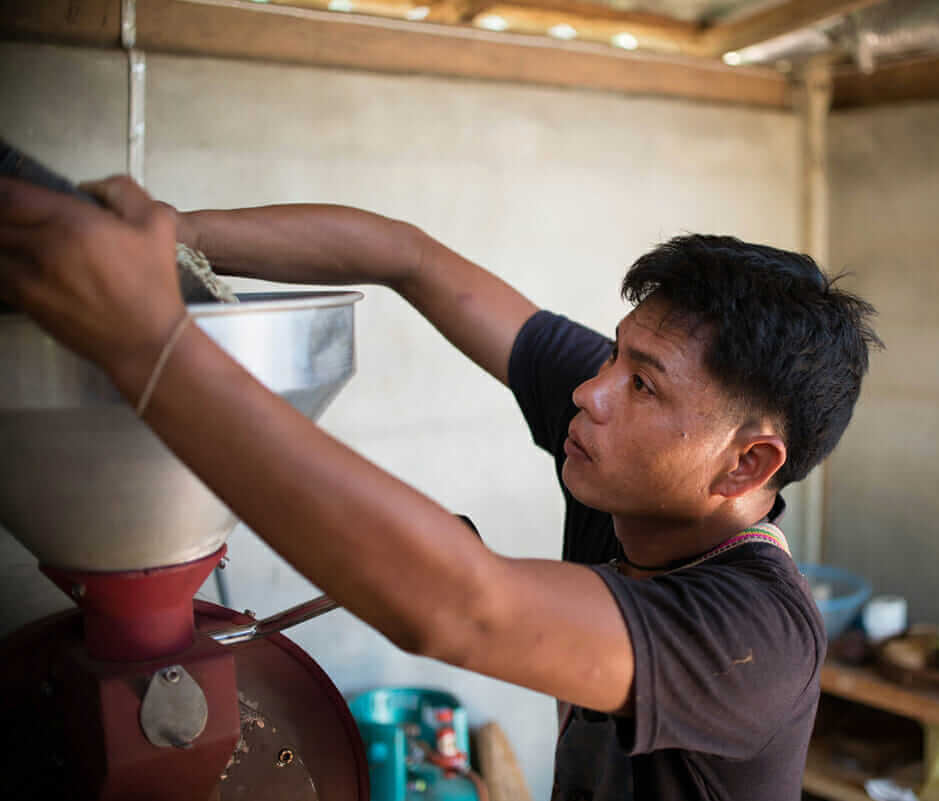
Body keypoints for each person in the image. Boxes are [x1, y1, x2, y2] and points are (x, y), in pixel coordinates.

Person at [0, 174, 880, 801]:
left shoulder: (756, 634)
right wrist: (175, 234)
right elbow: (409, 258)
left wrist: (150, 345)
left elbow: (462, 608)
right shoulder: (632, 455)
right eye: (615, 351)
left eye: (642, 382)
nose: (590, 388)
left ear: (748, 465)